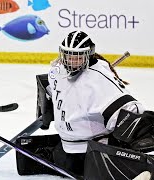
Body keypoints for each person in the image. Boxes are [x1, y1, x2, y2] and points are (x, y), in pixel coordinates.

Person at [32, 31, 154, 178]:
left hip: (90, 151)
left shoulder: (96, 78)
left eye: (77, 57)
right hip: (71, 153)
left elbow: (132, 110)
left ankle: (137, 162)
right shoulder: (57, 71)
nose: (71, 61)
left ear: (88, 55)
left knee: (144, 122)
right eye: (68, 55)